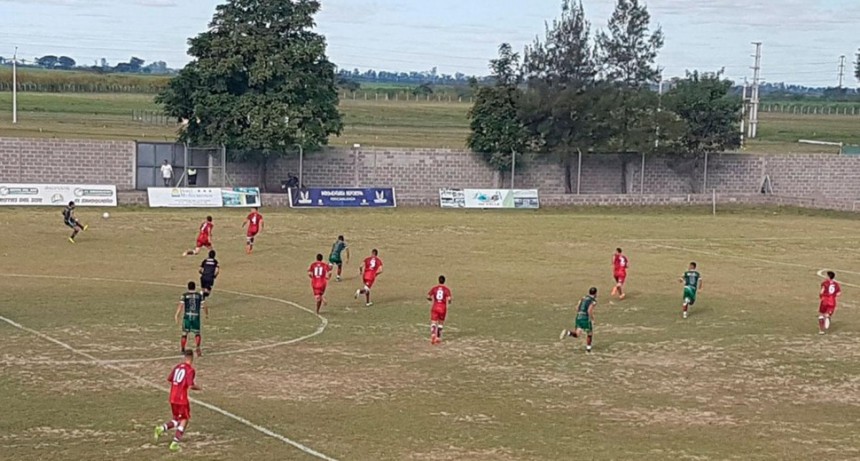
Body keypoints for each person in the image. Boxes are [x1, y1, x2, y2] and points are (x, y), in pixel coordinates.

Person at [154, 349, 201, 452]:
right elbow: (191, 385)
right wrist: (199, 388)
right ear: (192, 357)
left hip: (172, 397)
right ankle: (175, 443)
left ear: (185, 357)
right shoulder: (190, 370)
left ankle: (161, 428)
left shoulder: (178, 367)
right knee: (184, 419)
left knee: (176, 419)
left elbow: (170, 378)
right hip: (181, 399)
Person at [174, 281, 208, 356]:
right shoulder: (199, 296)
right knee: (197, 333)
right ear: (195, 287)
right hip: (196, 316)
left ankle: (183, 349)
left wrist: (177, 315)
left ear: (188, 287)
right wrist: (206, 314)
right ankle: (198, 347)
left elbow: (180, 306)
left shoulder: (185, 295)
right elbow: (204, 305)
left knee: (184, 333)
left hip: (187, 316)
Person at [560, 287, 598, 353]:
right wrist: (592, 319)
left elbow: (577, 307)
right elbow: (589, 310)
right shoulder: (593, 301)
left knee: (577, 334)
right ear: (595, 293)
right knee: (589, 334)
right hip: (585, 318)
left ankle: (568, 332)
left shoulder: (583, 298)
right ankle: (588, 350)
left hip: (579, 316)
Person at [427, 275, 452, 345]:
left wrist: (430, 299)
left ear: (438, 280)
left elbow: (428, 296)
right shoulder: (446, 289)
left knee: (433, 322)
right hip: (442, 307)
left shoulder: (434, 288)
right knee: (440, 322)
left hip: (435, 306)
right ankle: (438, 337)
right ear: (444, 281)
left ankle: (433, 334)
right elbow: (449, 299)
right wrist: (449, 302)